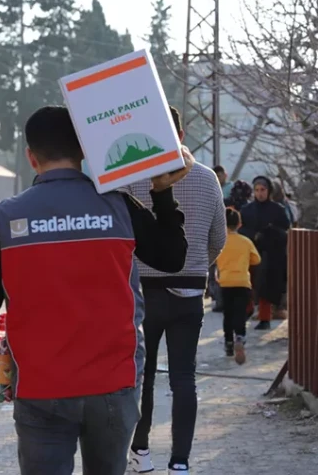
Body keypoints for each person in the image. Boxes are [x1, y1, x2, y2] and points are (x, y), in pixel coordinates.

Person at [0, 105, 192, 475]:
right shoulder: (118, 206)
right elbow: (172, 257)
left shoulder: (8, 217)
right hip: (114, 385)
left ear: (31, 157)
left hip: (40, 388)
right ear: (83, 151)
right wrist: (162, 192)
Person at [128, 107, 226, 475]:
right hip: (189, 293)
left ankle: (141, 454)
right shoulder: (206, 179)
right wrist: (197, 264)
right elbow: (218, 237)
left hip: (142, 292)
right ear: (182, 136)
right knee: (184, 377)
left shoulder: (131, 179)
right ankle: (180, 462)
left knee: (144, 375)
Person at [239, 176, 290, 330]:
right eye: (257, 190)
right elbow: (241, 230)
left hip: (270, 254)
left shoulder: (278, 210)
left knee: (266, 288)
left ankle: (265, 318)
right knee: (248, 284)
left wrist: (270, 231)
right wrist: (253, 235)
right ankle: (247, 311)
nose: (260, 193)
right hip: (250, 253)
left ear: (269, 191)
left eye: (263, 190)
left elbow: (285, 231)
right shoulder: (246, 210)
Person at [216, 208, 261, 364]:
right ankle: (240, 337)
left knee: (228, 313)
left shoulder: (220, 241)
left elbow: (213, 258)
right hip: (242, 282)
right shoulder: (246, 241)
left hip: (225, 282)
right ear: (240, 224)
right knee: (240, 312)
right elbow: (257, 260)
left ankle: (228, 342)